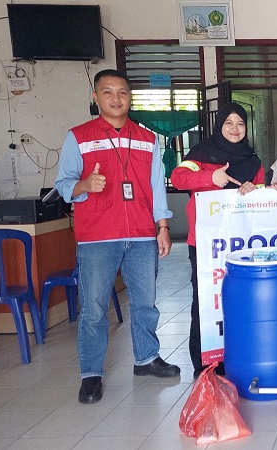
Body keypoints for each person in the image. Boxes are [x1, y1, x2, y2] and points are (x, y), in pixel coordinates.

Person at [55, 69, 180, 404]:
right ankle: (91, 373)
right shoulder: (78, 137)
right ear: (96, 98)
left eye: (122, 92)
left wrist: (162, 227)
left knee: (145, 303)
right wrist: (83, 186)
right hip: (97, 236)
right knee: (94, 308)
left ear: (130, 97)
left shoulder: (147, 138)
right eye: (107, 92)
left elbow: (156, 187)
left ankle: (146, 359)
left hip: (141, 235)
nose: (115, 98)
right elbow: (63, 184)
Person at [170, 102, 265, 379]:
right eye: (229, 123)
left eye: (240, 124)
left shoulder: (253, 160)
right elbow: (178, 178)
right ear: (218, 126)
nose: (235, 129)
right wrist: (210, 176)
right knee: (205, 302)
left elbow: (262, 193)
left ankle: (240, 356)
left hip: (242, 243)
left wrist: (254, 190)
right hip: (204, 242)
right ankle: (205, 365)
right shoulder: (200, 154)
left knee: (241, 299)